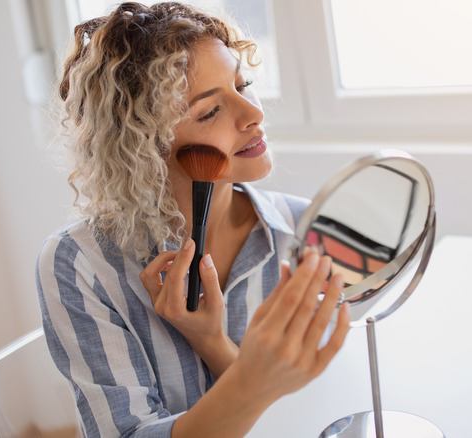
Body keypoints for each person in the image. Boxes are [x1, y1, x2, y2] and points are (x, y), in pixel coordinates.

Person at [36, 2, 351, 437]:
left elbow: (306, 417)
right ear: (142, 145)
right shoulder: (82, 264)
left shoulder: (301, 229)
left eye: (244, 84)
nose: (254, 114)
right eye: (209, 112)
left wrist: (213, 343)